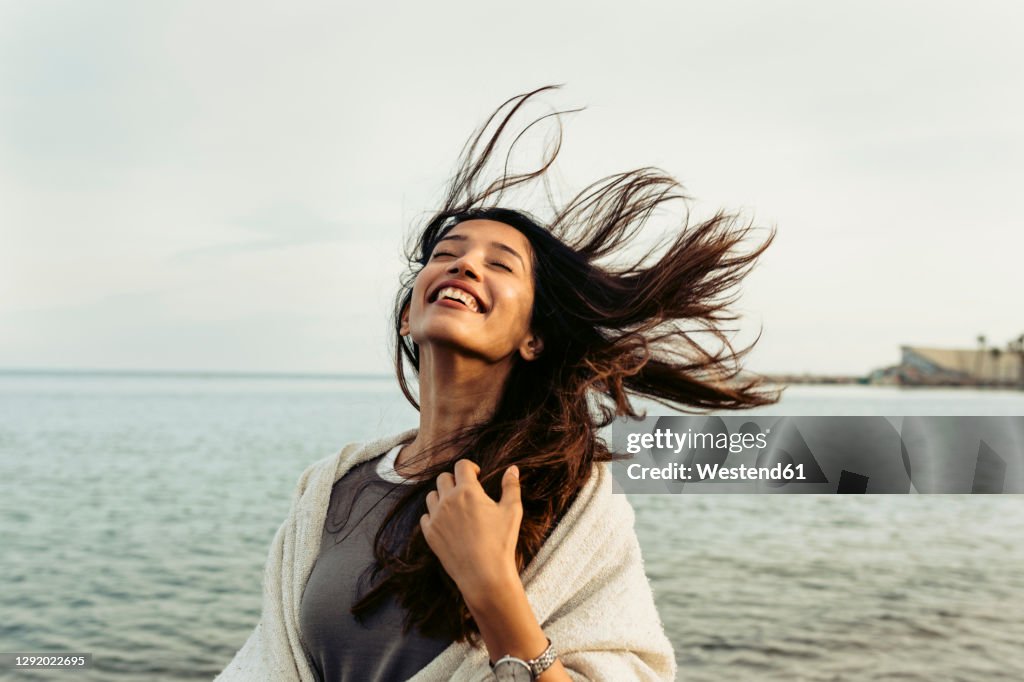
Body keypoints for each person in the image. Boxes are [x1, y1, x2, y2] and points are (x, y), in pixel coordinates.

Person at [214, 85, 778, 682]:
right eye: (447, 253)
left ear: (533, 336)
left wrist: (492, 588)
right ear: (408, 315)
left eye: (500, 263)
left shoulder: (568, 494)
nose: (465, 264)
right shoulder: (332, 487)